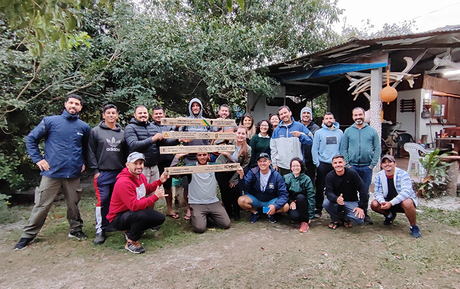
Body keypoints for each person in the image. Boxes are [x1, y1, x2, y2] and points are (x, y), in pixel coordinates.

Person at [14, 94, 91, 250]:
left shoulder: (84, 127)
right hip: (52, 172)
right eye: (71, 103)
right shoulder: (50, 121)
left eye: (77, 104)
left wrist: (83, 162)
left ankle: (76, 230)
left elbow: (85, 148)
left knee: (73, 204)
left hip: (73, 173)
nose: (73, 106)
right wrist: (38, 159)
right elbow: (31, 139)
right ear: (65, 104)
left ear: (80, 108)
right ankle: (28, 235)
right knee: (42, 204)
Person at [106, 152, 169, 254]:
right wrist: (154, 197)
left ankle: (131, 231)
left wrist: (160, 181)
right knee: (140, 215)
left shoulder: (140, 176)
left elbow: (146, 189)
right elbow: (134, 206)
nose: (139, 166)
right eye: (136, 163)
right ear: (127, 165)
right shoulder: (123, 182)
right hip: (118, 217)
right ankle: (131, 242)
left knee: (159, 218)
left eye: (141, 163)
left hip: (131, 213)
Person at [87, 104, 127, 245]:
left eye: (113, 113)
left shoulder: (122, 133)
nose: (111, 115)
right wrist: (95, 171)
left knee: (119, 200)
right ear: (103, 115)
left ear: (117, 115)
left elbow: (126, 153)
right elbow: (90, 152)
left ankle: (116, 224)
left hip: (119, 172)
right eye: (108, 113)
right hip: (102, 173)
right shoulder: (95, 131)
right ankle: (101, 229)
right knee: (103, 200)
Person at [171, 152, 231, 233]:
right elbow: (173, 173)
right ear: (196, 156)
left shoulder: (214, 166)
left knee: (226, 224)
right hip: (197, 203)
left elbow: (232, 168)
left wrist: (229, 156)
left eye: (204, 155)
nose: (202, 157)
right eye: (199, 155)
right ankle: (199, 217)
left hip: (213, 202)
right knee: (200, 228)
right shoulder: (190, 168)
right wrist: (176, 158)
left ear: (208, 156)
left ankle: (207, 216)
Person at [341, 107, 381, 224]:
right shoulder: (348, 131)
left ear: (364, 115)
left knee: (365, 191)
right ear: (352, 117)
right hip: (351, 166)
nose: (358, 117)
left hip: (366, 167)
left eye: (360, 115)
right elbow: (344, 148)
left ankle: (364, 212)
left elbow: (377, 148)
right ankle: (351, 213)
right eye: (355, 115)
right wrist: (347, 164)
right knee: (350, 191)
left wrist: (372, 164)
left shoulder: (372, 131)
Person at [178, 98, 213, 220]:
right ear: (190, 108)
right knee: (188, 184)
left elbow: (212, 133)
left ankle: (203, 208)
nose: (196, 108)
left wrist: (208, 150)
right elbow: (178, 135)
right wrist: (183, 140)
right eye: (193, 106)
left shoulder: (205, 121)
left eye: (198, 105)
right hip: (189, 157)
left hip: (202, 158)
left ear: (201, 108)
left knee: (201, 184)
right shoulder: (186, 121)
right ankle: (188, 209)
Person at [371, 155, 421, 238]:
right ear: (381, 165)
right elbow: (377, 192)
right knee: (374, 204)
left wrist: (391, 203)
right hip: (387, 201)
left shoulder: (403, 174)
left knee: (407, 203)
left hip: (401, 201)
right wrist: (382, 202)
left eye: (389, 162)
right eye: (384, 163)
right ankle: (390, 216)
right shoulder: (379, 175)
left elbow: (406, 192)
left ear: (395, 164)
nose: (387, 164)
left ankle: (414, 226)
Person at [237, 153, 289, 224]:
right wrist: (241, 175)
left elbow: (284, 194)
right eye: (260, 161)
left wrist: (275, 206)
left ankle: (268, 211)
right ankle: (255, 212)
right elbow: (244, 187)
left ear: (269, 162)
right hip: (256, 199)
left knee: (286, 207)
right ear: (258, 163)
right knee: (241, 200)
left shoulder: (276, 176)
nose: (262, 163)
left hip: (270, 200)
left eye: (265, 161)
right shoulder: (253, 172)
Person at [216, 126, 252, 220]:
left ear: (246, 135)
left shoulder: (248, 149)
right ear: (235, 133)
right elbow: (216, 143)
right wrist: (225, 136)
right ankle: (228, 212)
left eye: (243, 133)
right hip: (221, 170)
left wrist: (234, 179)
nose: (240, 135)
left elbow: (244, 165)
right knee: (224, 191)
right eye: (239, 133)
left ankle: (236, 212)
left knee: (235, 191)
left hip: (234, 172)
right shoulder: (228, 142)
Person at [323, 155, 368, 229]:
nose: (338, 165)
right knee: (326, 203)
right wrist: (336, 199)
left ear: (344, 163)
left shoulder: (352, 173)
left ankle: (345, 218)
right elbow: (328, 192)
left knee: (359, 220)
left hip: (351, 201)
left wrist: (361, 206)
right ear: (332, 165)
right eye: (335, 163)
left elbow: (363, 189)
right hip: (336, 202)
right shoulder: (329, 176)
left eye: (340, 162)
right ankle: (335, 219)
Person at [311, 112, 343, 218]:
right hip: (323, 163)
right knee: (320, 187)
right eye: (326, 118)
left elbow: (342, 148)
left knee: (337, 186)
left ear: (334, 120)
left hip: (336, 164)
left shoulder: (340, 133)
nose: (328, 120)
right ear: (323, 121)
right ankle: (318, 208)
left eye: (330, 118)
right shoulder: (319, 133)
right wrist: (317, 163)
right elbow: (314, 149)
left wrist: (342, 162)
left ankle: (337, 208)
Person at [151, 106, 180, 219]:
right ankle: (150, 212)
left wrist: (176, 134)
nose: (158, 115)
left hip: (168, 159)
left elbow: (174, 141)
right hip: (154, 160)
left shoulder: (170, 126)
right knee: (152, 187)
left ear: (164, 115)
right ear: (152, 116)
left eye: (160, 113)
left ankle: (169, 209)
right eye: (156, 114)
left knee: (168, 185)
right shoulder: (150, 127)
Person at [124, 105, 163, 184]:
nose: (143, 115)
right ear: (135, 115)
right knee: (141, 192)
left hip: (154, 166)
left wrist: (178, 140)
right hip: (140, 167)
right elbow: (134, 145)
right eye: (140, 113)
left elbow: (162, 143)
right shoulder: (130, 128)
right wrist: (152, 139)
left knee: (155, 191)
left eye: (145, 113)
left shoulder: (153, 127)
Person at [270, 106, 313, 176]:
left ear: (290, 113)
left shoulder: (300, 126)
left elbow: (310, 141)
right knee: (282, 186)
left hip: (297, 165)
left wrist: (300, 135)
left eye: (285, 113)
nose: (284, 115)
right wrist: (274, 163)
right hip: (282, 166)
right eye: (281, 114)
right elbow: (273, 149)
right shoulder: (277, 130)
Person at [283, 158, 315, 232]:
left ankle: (304, 221)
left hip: (303, 202)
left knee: (300, 197)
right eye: (293, 166)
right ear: (291, 168)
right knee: (294, 217)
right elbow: (283, 193)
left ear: (301, 167)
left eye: (297, 166)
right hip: (292, 203)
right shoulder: (286, 177)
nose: (295, 168)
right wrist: (290, 201)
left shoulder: (306, 179)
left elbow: (311, 196)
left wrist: (310, 215)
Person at [300, 107, 320, 185]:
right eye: (304, 113)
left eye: (308, 113)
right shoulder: (297, 126)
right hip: (299, 157)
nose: (306, 115)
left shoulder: (316, 128)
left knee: (310, 179)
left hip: (311, 158)